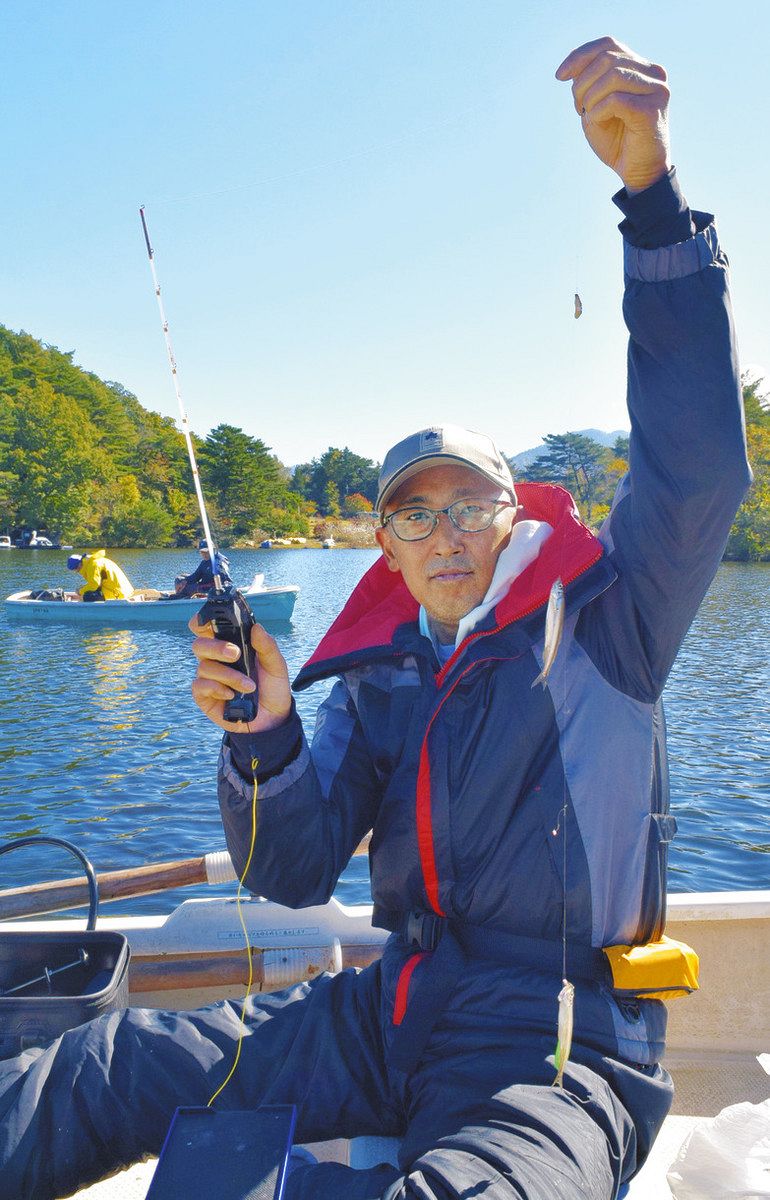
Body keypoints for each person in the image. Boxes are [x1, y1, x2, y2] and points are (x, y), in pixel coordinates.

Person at [0, 37, 751, 1200]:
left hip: (557, 1044)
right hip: (387, 1003)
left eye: (467, 506)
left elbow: (696, 461)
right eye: (412, 515)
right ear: (386, 544)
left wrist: (652, 205)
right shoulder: (381, 673)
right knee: (101, 1067)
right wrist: (262, 736)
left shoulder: (611, 619)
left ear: (514, 517)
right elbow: (290, 875)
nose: (443, 533)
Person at [66, 549, 134, 601]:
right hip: (126, 591)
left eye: (75, 569)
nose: (76, 571)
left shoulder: (93, 565)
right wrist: (83, 588)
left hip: (118, 595)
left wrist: (80, 591)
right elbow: (98, 584)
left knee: (88, 596)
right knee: (90, 591)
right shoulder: (96, 561)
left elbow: (93, 585)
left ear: (79, 565)